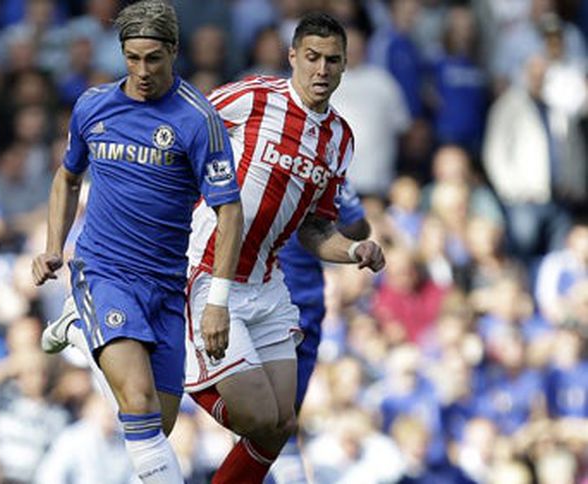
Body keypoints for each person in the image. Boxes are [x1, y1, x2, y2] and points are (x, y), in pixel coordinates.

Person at [32, 2, 244, 483]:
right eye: (132, 58)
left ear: (174, 51)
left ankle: (81, 328)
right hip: (104, 272)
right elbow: (67, 177)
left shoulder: (197, 119)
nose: (142, 71)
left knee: (156, 427)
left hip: (165, 287)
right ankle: (84, 313)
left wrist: (218, 301)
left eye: (153, 58)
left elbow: (229, 211)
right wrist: (53, 247)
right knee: (140, 403)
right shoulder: (93, 106)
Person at [184, 13, 386, 483]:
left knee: (281, 426)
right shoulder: (254, 97)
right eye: (312, 57)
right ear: (292, 56)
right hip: (210, 270)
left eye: (332, 60)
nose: (321, 69)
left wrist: (354, 252)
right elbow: (185, 129)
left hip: (267, 281)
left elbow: (316, 230)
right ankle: (177, 370)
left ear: (345, 65)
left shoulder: (339, 139)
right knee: (258, 418)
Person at [269, 180, 369, 482]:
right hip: (289, 300)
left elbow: (358, 226)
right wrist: (318, 227)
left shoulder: (240, 162)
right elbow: (357, 225)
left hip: (282, 300)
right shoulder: (324, 166)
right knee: (273, 422)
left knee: (273, 423)